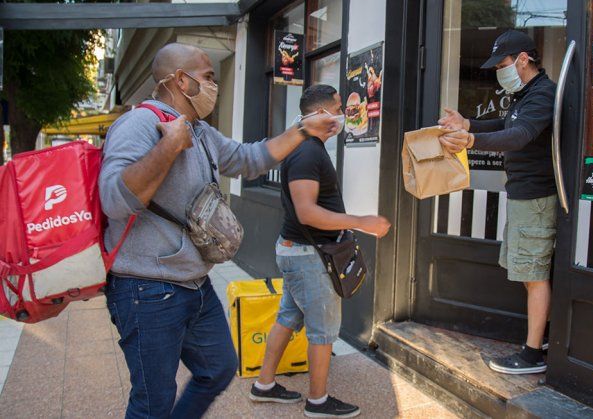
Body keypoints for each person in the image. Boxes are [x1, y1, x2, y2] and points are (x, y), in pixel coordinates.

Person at [99, 43, 338, 419]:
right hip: (146, 289)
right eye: (208, 77)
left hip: (194, 283)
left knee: (219, 368)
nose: (215, 86)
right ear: (181, 80)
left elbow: (250, 158)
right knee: (153, 402)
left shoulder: (202, 132)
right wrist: (170, 147)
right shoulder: (138, 124)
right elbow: (113, 199)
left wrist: (303, 129)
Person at [250, 84, 391, 417]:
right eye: (338, 107)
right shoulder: (307, 152)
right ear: (319, 115)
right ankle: (318, 402)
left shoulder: (307, 149)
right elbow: (307, 212)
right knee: (323, 331)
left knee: (287, 317)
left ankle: (264, 385)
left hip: (299, 252)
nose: (342, 114)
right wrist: (362, 221)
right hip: (308, 257)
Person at [439, 30, 557, 375]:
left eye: (502, 64)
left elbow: (518, 136)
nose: (498, 72)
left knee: (533, 275)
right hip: (524, 194)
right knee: (526, 271)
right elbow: (507, 123)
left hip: (536, 197)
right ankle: (542, 337)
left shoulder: (542, 94)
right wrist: (469, 122)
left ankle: (533, 354)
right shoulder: (527, 94)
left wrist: (470, 138)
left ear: (523, 59)